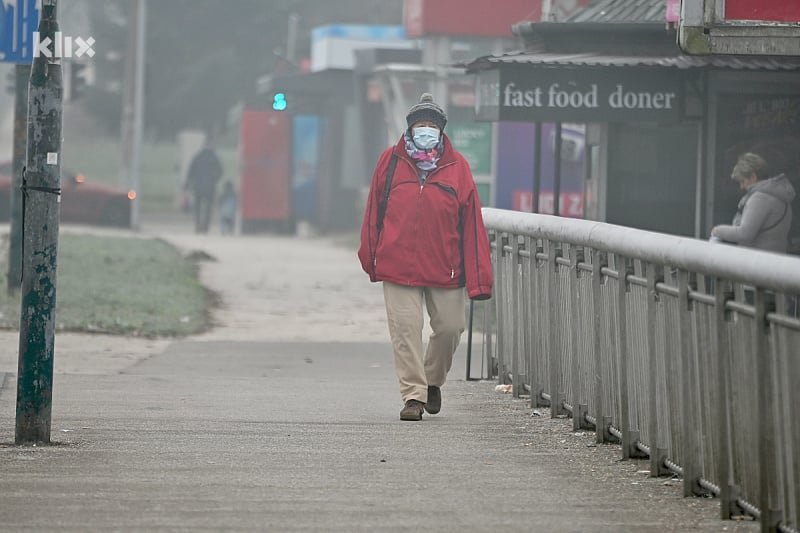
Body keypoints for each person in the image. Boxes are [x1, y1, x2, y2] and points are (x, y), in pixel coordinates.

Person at [358, 93, 493, 421]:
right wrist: (371, 258)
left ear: (442, 131)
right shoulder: (389, 162)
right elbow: (374, 213)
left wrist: (479, 281)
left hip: (445, 268)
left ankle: (433, 381)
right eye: (421, 125)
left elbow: (472, 224)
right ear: (410, 129)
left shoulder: (457, 168)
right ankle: (414, 397)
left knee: (451, 328)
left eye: (433, 126)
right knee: (405, 331)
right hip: (397, 265)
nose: (427, 131)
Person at [711, 152, 795, 253]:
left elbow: (744, 234)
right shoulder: (781, 196)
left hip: (756, 261)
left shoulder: (760, 198)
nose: (741, 187)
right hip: (775, 260)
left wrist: (717, 231)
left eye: (743, 181)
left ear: (753, 177)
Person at [185, 138, 223, 233]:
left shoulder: (198, 156)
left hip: (198, 186)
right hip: (210, 187)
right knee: (208, 208)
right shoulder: (214, 157)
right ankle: (205, 227)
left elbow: (191, 171)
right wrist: (215, 180)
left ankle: (197, 226)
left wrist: (188, 184)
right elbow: (221, 171)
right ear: (211, 145)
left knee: (197, 207)